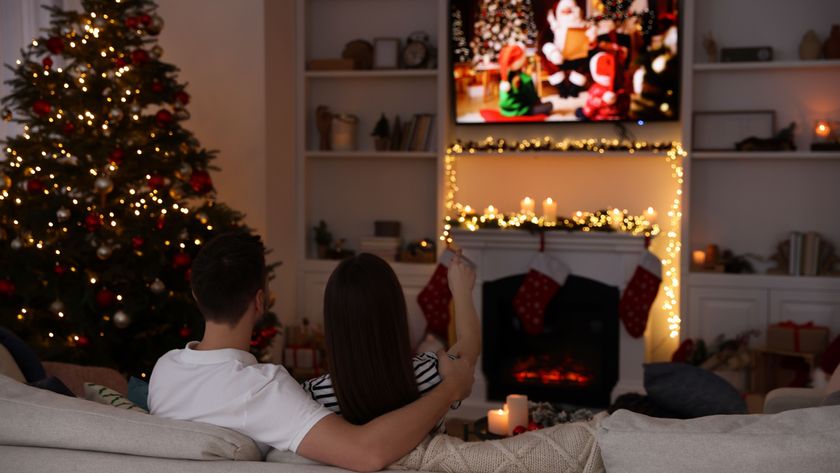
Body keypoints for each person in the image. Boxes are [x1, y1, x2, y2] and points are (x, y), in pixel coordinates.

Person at [148, 232, 475, 472]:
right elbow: (366, 454)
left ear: (196, 294)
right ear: (260, 302)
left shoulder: (164, 371)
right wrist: (450, 389)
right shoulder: (265, 390)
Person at [301, 252, 480, 427]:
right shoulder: (435, 373)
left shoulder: (311, 398)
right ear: (397, 315)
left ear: (332, 323)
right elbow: (469, 341)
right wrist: (461, 290)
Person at [498, 44, 553, 117]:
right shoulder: (525, 78)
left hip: (505, 111)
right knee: (550, 105)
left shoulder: (505, 77)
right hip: (521, 110)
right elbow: (532, 99)